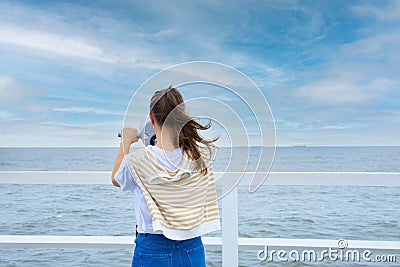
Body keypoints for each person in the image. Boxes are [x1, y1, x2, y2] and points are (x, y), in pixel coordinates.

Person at [111, 86, 220, 267]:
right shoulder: (199, 157)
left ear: (151, 118)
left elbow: (116, 179)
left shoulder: (138, 162)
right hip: (192, 247)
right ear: (180, 116)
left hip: (153, 248)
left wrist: (125, 142)